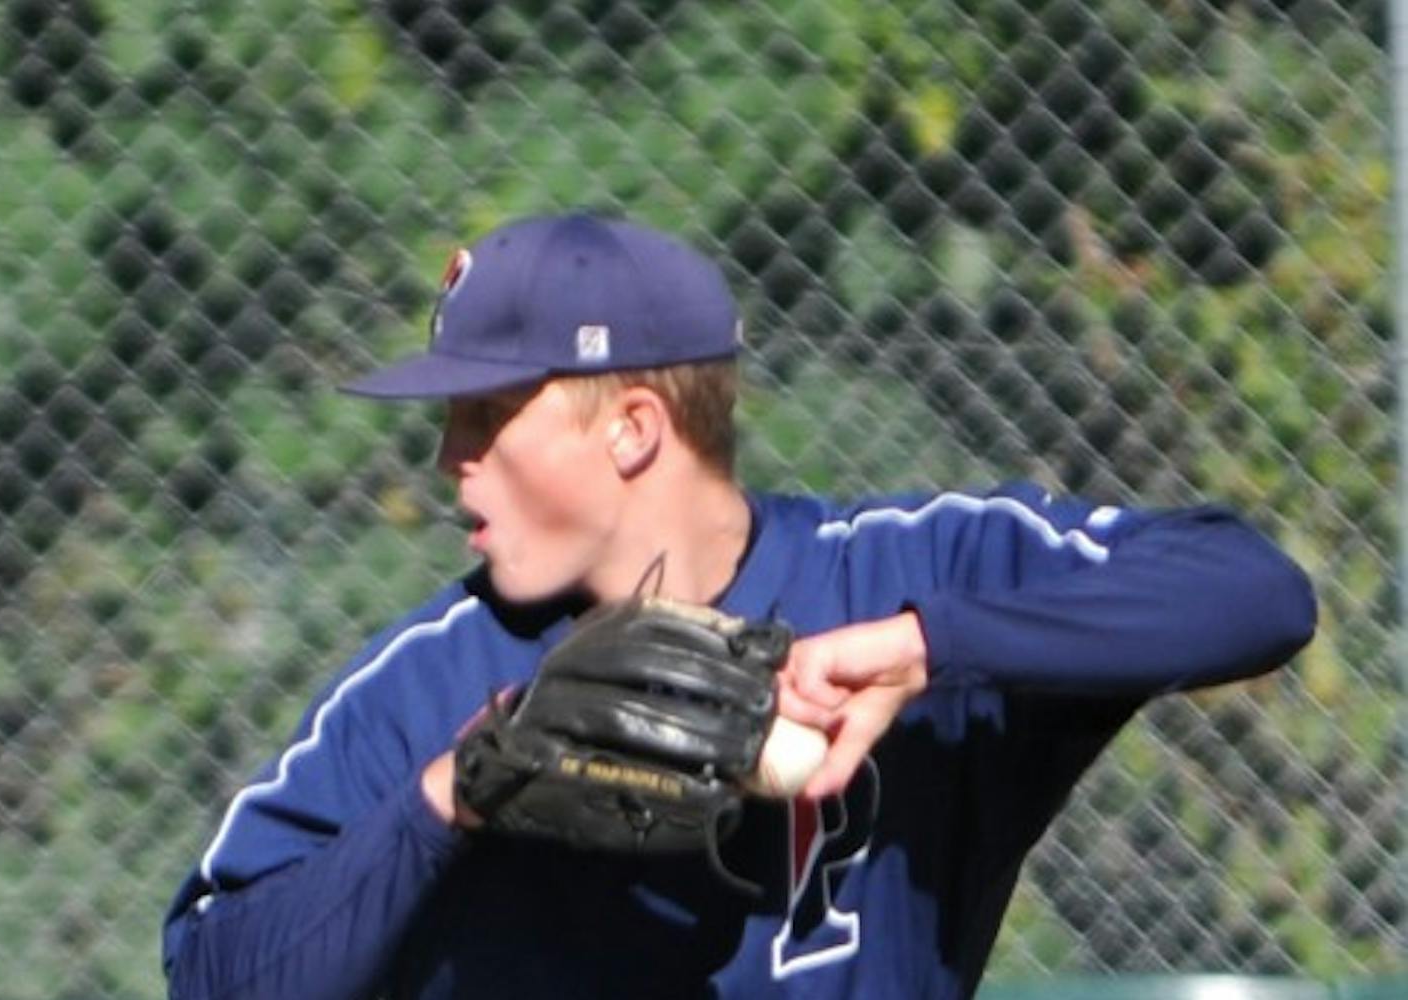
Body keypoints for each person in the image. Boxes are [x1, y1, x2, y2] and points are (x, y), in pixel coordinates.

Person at [161, 213, 1316, 999]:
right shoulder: (427, 684)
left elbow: (1255, 590)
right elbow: (215, 970)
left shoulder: (899, 576)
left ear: (633, 429)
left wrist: (936, 647)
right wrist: (446, 800)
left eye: (489, 413)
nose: (450, 454)